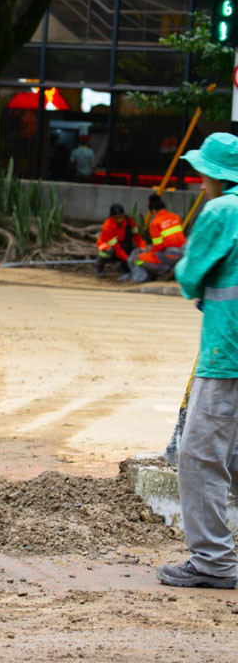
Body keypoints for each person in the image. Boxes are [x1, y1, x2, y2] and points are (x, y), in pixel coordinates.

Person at [156, 132, 238, 590]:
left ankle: (213, 562)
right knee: (234, 456)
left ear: (213, 174)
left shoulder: (223, 210)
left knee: (200, 457)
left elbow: (189, 275)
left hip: (227, 353)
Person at [128, 193, 187, 282]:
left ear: (153, 211)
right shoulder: (176, 217)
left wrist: (149, 253)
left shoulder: (155, 223)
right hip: (183, 254)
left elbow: (158, 246)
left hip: (170, 255)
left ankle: (166, 270)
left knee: (137, 259)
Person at [94, 203, 145, 276]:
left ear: (124, 215)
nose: (119, 220)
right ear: (112, 217)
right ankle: (99, 267)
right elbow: (116, 247)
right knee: (108, 250)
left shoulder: (130, 221)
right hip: (108, 245)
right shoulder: (107, 227)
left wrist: (143, 248)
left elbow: (137, 237)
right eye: (116, 218)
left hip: (122, 244)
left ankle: (123, 266)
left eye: (121, 217)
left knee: (134, 250)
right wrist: (127, 259)